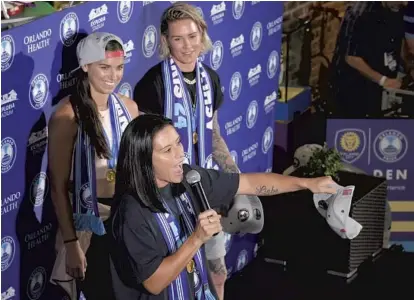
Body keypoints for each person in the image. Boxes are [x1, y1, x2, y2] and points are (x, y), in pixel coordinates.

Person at [108, 114, 338, 300]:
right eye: (167, 151)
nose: (180, 154)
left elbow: (248, 183)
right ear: (144, 160)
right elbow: (154, 283)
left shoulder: (190, 178)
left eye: (178, 143)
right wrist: (197, 239)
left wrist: (308, 184)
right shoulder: (132, 212)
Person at [133, 3, 263, 298]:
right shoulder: (153, 84)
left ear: (202, 34)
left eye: (192, 36)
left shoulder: (210, 79)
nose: (187, 46)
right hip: (169, 195)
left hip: (204, 188)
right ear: (165, 40)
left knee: (216, 269)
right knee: (178, 276)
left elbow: (213, 133)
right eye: (178, 38)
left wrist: (234, 176)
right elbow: (142, 147)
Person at [48, 32, 139, 300]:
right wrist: (71, 243)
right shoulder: (66, 116)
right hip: (88, 225)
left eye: (119, 68)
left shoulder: (129, 108)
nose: (113, 76)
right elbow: (58, 185)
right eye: (104, 67)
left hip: (126, 218)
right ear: (85, 66)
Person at [328, 1, 406, 118]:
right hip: (354, 87)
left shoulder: (396, 8)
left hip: (381, 83)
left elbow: (397, 42)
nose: (405, 3)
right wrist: (383, 80)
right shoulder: (361, 13)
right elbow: (351, 58)